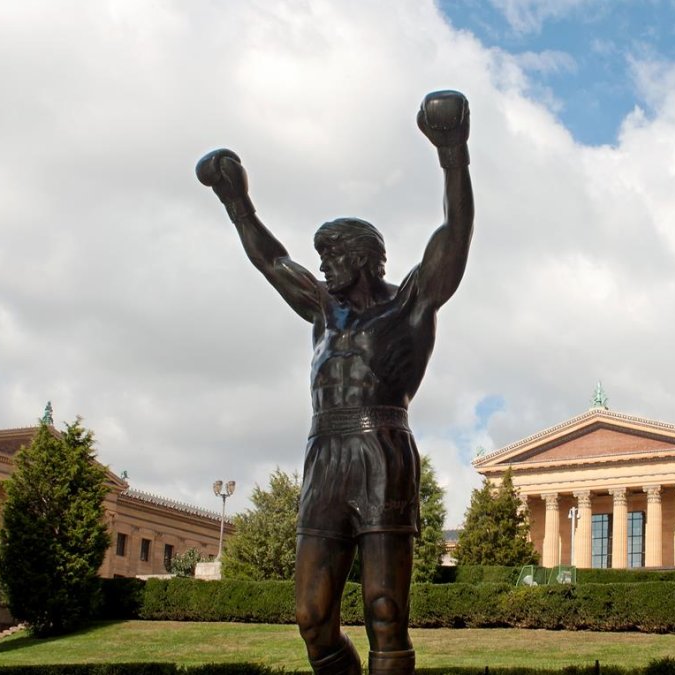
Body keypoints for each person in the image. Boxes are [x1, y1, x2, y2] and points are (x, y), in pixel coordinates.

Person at [196, 90, 474, 675]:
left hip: (382, 449)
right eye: (320, 255)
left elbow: (455, 233)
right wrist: (236, 202)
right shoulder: (324, 309)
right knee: (311, 616)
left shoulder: (411, 303)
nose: (322, 264)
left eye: (332, 254)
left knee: (385, 610)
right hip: (324, 454)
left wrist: (453, 153)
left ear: (365, 258)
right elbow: (271, 261)